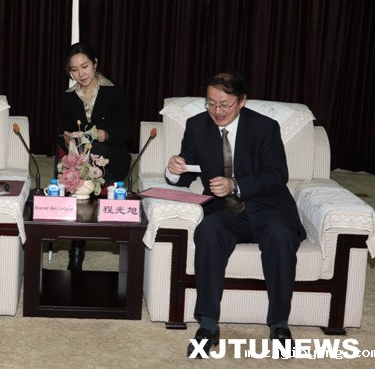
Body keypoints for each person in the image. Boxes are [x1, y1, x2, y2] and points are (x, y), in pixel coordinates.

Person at [165, 73, 306, 357]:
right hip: (226, 212)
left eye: (224, 104)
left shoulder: (265, 127)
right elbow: (185, 174)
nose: (216, 111)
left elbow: (277, 175)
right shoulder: (196, 126)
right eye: (210, 103)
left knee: (280, 235)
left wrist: (235, 184)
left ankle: (279, 324)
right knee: (208, 230)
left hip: (269, 209)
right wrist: (174, 169)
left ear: (241, 101)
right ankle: (208, 324)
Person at [58, 42, 132, 271]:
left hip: (111, 156)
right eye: (74, 69)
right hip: (81, 159)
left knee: (93, 155)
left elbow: (127, 130)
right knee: (80, 167)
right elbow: (61, 133)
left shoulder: (113, 90)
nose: (81, 74)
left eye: (85, 66)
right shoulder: (68, 97)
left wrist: (106, 134)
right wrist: (67, 140)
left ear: (95, 64)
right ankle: (77, 247)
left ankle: (85, 242)